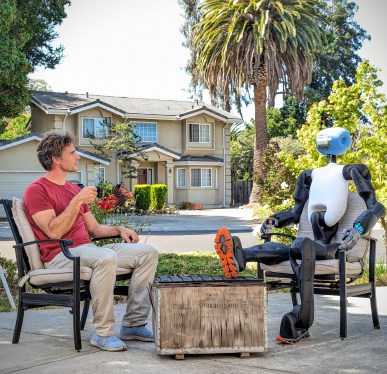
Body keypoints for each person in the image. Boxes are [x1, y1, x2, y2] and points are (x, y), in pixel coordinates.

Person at [214, 127, 385, 344]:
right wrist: (275, 220)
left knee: (301, 244)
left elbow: (376, 207)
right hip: (310, 246)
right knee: (296, 247)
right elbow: (295, 214)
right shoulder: (308, 175)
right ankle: (241, 256)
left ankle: (302, 319)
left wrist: (358, 229)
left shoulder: (351, 171)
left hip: (335, 249)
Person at [23, 131, 159, 352]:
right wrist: (77, 200)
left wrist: (119, 229)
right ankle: (103, 333)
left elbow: (94, 229)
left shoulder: (72, 189)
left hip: (86, 250)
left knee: (147, 252)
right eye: (72, 152)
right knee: (105, 256)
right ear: (56, 158)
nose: (78, 156)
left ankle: (134, 324)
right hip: (60, 256)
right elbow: (53, 231)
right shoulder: (37, 191)